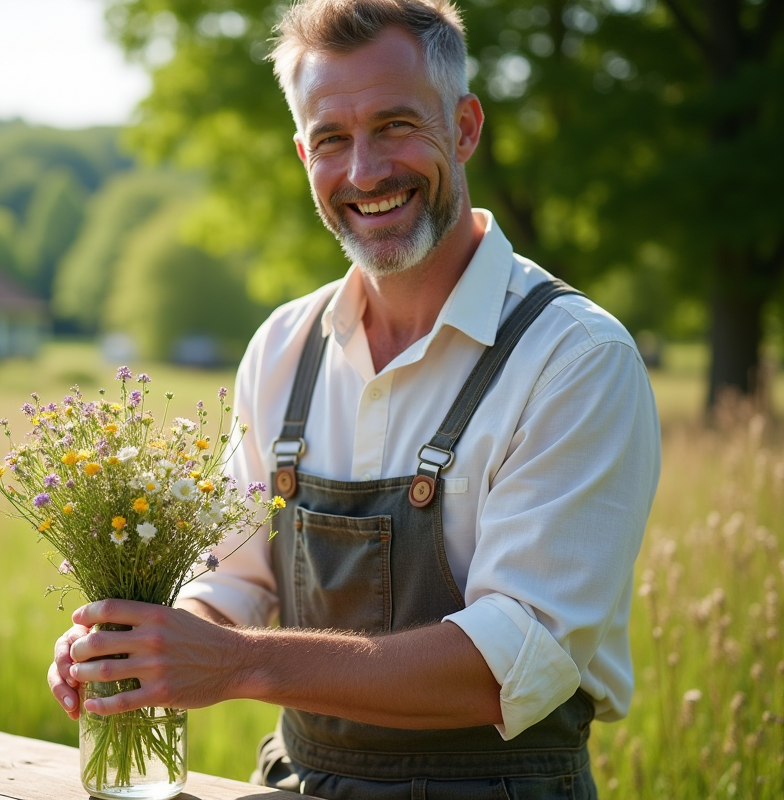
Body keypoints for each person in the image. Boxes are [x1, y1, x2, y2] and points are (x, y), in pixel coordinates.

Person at [48, 0, 660, 796]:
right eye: (332, 139)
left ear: (466, 127)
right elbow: (234, 582)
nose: (365, 172)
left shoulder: (575, 359)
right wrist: (153, 644)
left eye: (396, 125)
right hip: (297, 780)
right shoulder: (284, 347)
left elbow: (509, 666)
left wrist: (236, 664)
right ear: (304, 153)